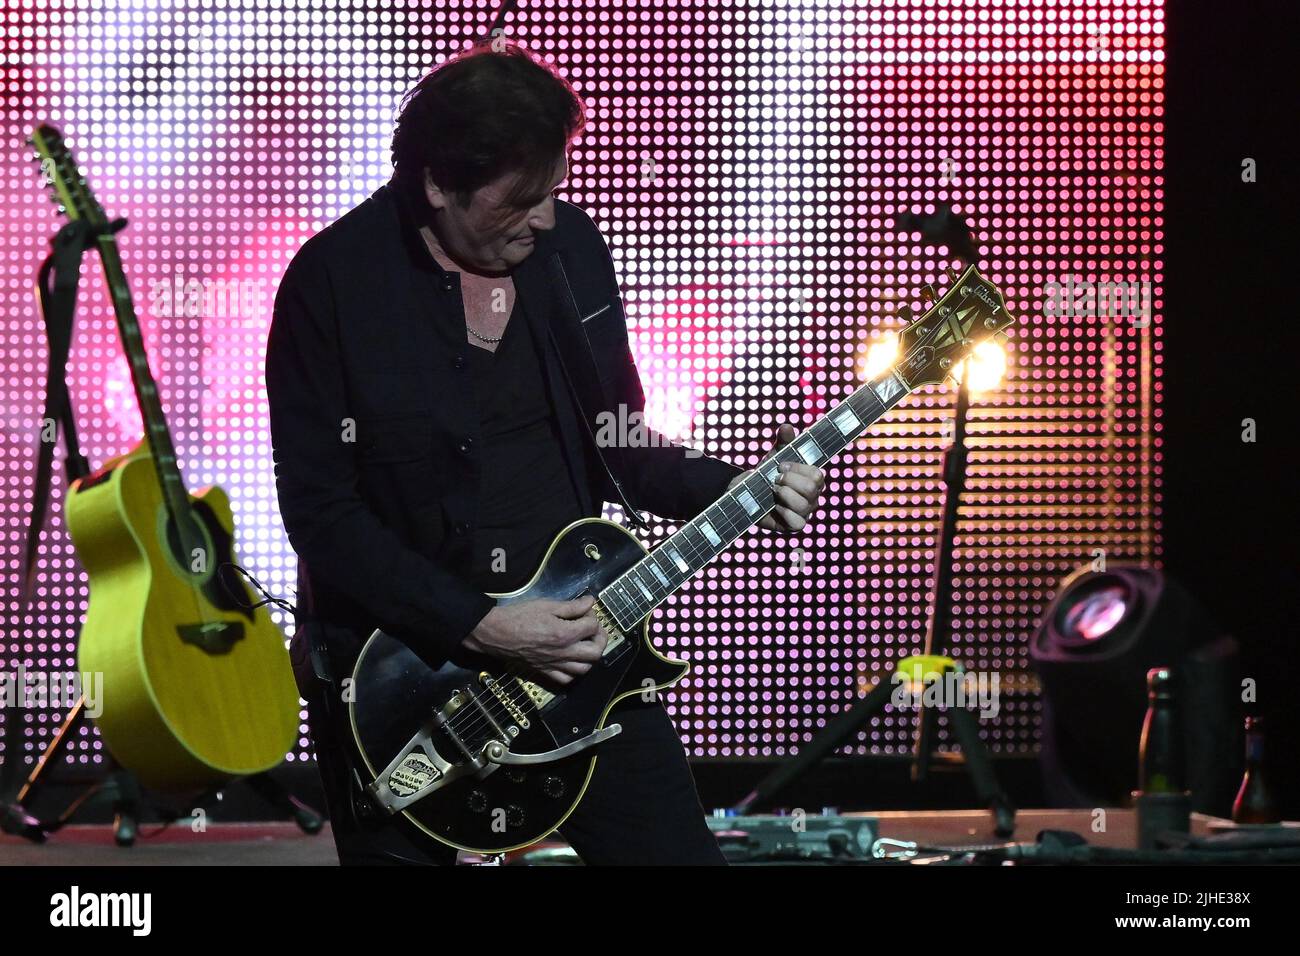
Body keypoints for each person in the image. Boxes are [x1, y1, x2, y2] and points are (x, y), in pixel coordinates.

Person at [265, 40, 824, 865]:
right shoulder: (332, 285)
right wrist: (484, 628)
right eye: (521, 200)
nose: (546, 217)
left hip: (578, 654)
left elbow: (621, 445)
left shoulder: (569, 254)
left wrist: (740, 484)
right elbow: (322, 517)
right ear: (436, 185)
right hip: (400, 687)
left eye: (555, 191)